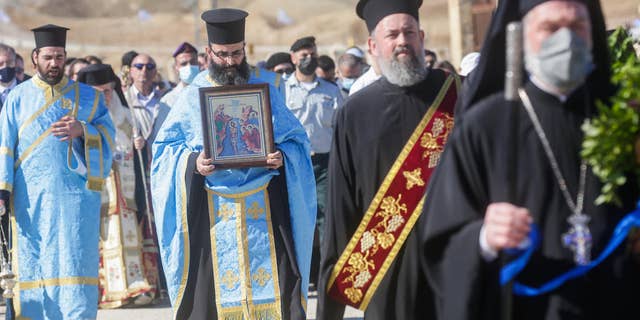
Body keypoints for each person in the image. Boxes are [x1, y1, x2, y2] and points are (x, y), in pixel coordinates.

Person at [419, 0, 640, 319]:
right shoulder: (484, 126)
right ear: (521, 36)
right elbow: (442, 243)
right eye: (550, 28)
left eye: (577, 27)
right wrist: (484, 238)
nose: (566, 40)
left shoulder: (623, 118)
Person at [151, 8, 316, 319]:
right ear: (209, 53)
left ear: (245, 49)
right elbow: (164, 151)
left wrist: (282, 157)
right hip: (213, 212)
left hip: (264, 209)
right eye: (223, 54)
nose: (230, 61)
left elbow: (296, 141)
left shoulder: (267, 86)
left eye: (236, 53)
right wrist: (193, 163)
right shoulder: (193, 94)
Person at [316, 0, 460, 319]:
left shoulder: (458, 95)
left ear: (421, 37)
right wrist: (330, 311)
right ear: (372, 45)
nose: (402, 42)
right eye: (391, 34)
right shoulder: (354, 113)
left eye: (409, 32)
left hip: (452, 264)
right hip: (386, 271)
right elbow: (341, 210)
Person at [0, 24, 114, 319]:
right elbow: (4, 147)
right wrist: (3, 190)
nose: (55, 63)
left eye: (60, 57)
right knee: (36, 268)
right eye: (49, 57)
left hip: (77, 205)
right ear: (35, 56)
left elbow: (109, 141)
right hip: (31, 204)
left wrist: (83, 130)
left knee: (75, 267)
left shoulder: (89, 98)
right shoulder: (17, 98)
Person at [77, 63, 157, 308]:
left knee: (128, 238)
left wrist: (136, 147)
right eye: (99, 92)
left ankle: (134, 286)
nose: (106, 96)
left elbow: (131, 148)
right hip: (98, 192)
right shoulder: (81, 118)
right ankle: (106, 290)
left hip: (126, 191)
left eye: (109, 91)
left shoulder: (124, 115)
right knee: (104, 238)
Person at [285, 35, 344, 291]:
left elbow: (342, 128)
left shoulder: (331, 91)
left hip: (324, 163)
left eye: (312, 54)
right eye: (303, 54)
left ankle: (326, 276)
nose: (308, 58)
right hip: (294, 164)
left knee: (326, 220)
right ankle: (297, 276)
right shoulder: (282, 91)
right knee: (296, 218)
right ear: (293, 58)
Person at [161, 42, 199, 108]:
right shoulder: (168, 100)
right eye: (184, 64)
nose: (189, 66)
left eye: (193, 62)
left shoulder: (207, 92)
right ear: (176, 68)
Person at [0, 43, 17, 111]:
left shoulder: (28, 89)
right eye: (0, 64)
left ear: (15, 63)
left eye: (10, 62)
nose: (5, 67)